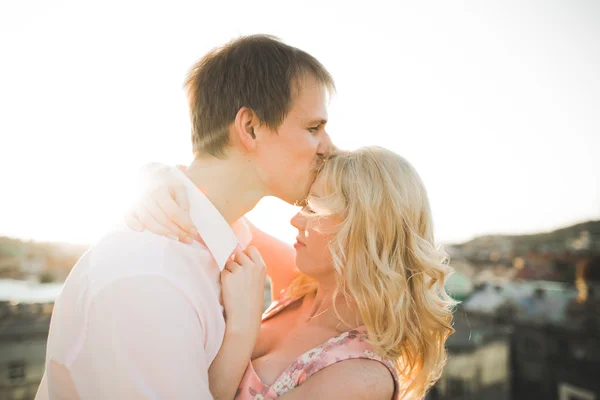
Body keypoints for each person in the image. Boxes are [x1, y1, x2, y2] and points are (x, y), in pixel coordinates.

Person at [35, 34, 334, 399]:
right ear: (250, 127)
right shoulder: (150, 278)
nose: (328, 147)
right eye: (313, 128)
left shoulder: (224, 239)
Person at [128, 147, 457, 399]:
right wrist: (157, 178)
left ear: (368, 230)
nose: (296, 220)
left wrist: (243, 324)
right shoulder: (300, 282)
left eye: (316, 209)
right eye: (304, 205)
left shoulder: (362, 378)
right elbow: (207, 205)